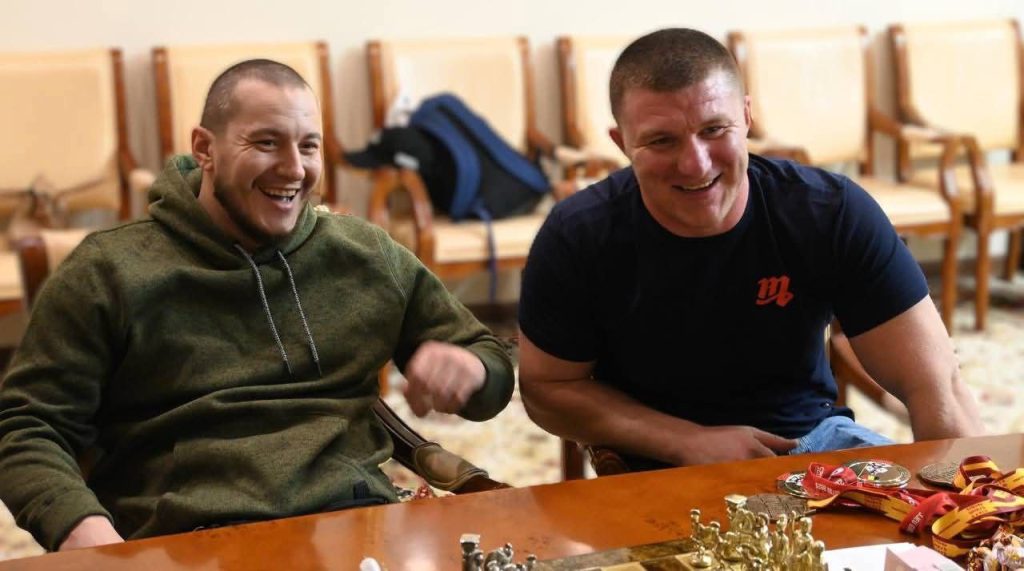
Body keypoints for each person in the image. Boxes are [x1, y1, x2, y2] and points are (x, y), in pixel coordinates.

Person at [0, 59, 514, 551]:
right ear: (205, 148)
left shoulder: (365, 254)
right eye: (266, 143)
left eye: (309, 146)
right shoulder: (108, 270)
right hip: (187, 541)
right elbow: (26, 427)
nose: (294, 169)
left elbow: (488, 360)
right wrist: (82, 530)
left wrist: (472, 370)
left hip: (353, 526)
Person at [517, 28, 982, 472]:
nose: (695, 163)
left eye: (714, 129)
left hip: (812, 442)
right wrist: (686, 441)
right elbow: (548, 387)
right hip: (653, 459)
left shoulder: (829, 212)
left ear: (746, 116)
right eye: (661, 140)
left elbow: (937, 386)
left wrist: (967, 507)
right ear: (622, 143)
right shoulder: (579, 234)